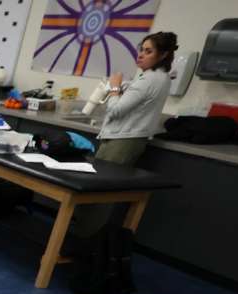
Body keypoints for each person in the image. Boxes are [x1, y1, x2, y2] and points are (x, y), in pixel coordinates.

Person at [74, 31, 179, 237]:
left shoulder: (149, 80)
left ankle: (82, 240)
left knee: (98, 194)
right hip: (126, 138)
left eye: (148, 51)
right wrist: (121, 89)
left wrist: (114, 88)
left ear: (163, 55)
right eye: (141, 49)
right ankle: (82, 236)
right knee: (98, 192)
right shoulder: (157, 78)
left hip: (122, 142)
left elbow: (115, 110)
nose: (141, 55)